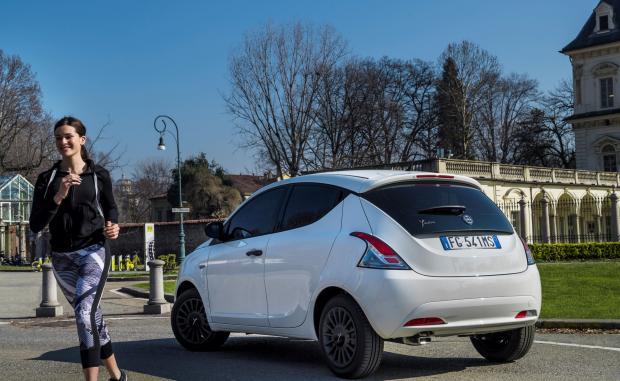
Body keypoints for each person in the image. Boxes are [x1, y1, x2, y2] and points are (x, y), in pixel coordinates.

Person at [29, 116, 127, 381]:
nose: (63, 142)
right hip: (62, 258)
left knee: (84, 315)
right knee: (92, 317)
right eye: (58, 137)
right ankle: (118, 376)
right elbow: (36, 223)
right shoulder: (47, 179)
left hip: (93, 251)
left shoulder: (98, 176)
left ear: (81, 139)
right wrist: (58, 195)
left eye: (68, 136)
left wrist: (113, 226)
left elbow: (111, 209)